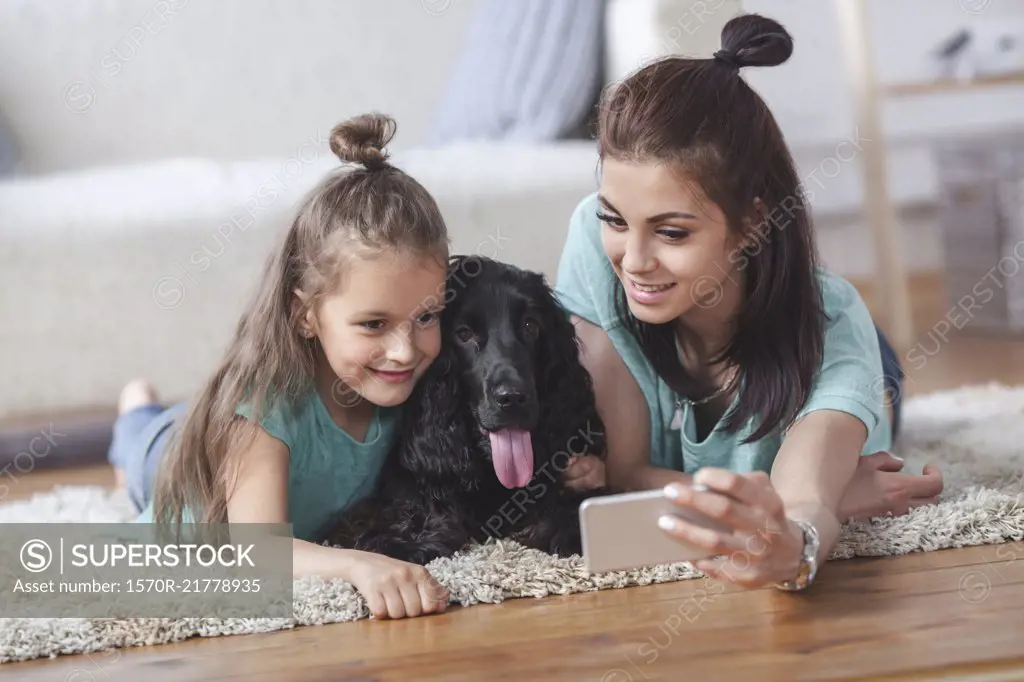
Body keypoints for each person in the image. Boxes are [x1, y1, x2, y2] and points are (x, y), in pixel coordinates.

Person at [555, 14, 944, 590]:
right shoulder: (593, 237)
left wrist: (804, 532)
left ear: (752, 223)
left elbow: (802, 498)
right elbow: (623, 471)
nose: (633, 259)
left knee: (861, 391)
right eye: (617, 219)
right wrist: (845, 495)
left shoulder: (829, 325)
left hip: (840, 351)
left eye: (672, 233)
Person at [106, 113, 453, 619]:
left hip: (217, 442)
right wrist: (358, 565)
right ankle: (133, 410)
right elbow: (258, 556)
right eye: (374, 324)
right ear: (305, 315)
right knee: (146, 453)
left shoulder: (400, 379)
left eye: (426, 316)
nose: (404, 350)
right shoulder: (262, 414)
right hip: (177, 471)